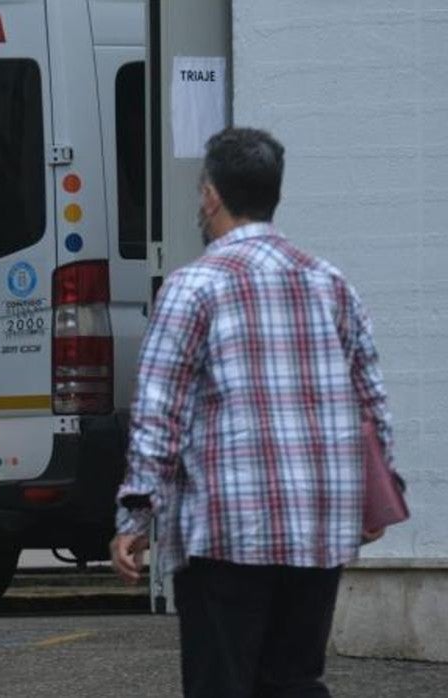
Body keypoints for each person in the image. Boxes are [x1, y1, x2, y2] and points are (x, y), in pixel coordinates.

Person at [110, 127, 396, 697]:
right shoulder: (330, 283)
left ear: (211, 194)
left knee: (223, 683)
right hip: (318, 521)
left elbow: (157, 413)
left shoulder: (194, 287)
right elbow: (371, 401)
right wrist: (375, 492)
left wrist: (137, 516)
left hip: (227, 528)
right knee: (294, 681)